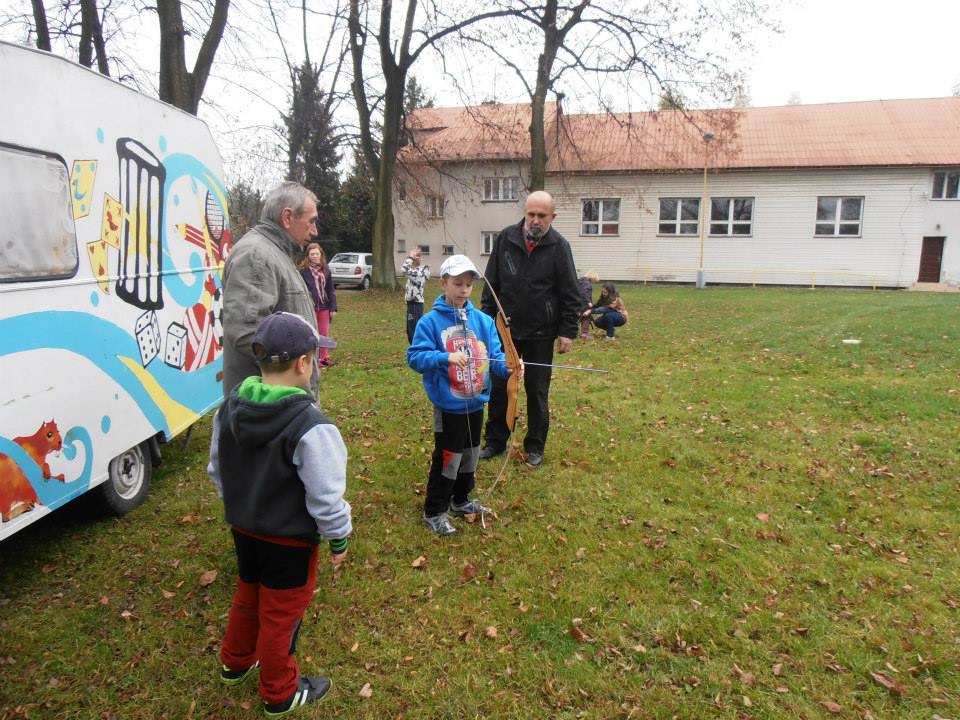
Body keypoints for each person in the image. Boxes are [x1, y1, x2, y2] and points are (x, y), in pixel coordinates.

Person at [208, 311, 351, 716]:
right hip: (290, 542)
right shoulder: (311, 426)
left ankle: (235, 662)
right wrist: (339, 536)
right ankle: (280, 692)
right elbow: (325, 496)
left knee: (248, 593)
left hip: (244, 529)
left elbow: (218, 469)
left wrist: (240, 505)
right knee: (281, 617)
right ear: (304, 363)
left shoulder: (228, 409)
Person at [407, 254, 519, 535]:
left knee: (470, 454)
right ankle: (435, 510)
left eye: (468, 285)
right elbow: (415, 357)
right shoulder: (429, 323)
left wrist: (510, 368)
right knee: (449, 458)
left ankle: (461, 499)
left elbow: (495, 357)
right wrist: (444, 357)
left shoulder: (483, 321)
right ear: (443, 283)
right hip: (449, 406)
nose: (464, 290)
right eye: (457, 284)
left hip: (476, 402)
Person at [479, 190, 581, 468]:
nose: (535, 220)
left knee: (537, 391)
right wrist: (486, 324)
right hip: (505, 330)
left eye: (541, 215)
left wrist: (567, 331)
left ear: (552, 217)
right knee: (500, 387)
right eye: (531, 214)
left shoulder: (559, 247)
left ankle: (535, 446)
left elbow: (571, 292)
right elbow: (491, 285)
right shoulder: (505, 239)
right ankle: (495, 441)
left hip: (541, 333)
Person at [221, 181, 320, 396]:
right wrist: (296, 372)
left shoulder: (275, 254)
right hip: (270, 406)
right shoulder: (257, 255)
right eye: (311, 221)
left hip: (283, 402)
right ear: (287, 217)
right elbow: (246, 332)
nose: (315, 231)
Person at [299, 242, 337, 367]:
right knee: (311, 332)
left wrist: (333, 307)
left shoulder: (326, 269)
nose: (315, 256)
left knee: (324, 332)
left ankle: (324, 358)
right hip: (310, 307)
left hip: (324, 307)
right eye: (312, 254)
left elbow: (330, 290)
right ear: (308, 256)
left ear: (321, 255)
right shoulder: (303, 271)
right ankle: (312, 358)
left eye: (317, 254)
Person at [401, 246, 431, 343]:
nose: (414, 258)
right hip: (412, 305)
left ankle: (417, 349)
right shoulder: (413, 272)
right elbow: (406, 270)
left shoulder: (421, 272)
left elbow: (404, 270)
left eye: (417, 256)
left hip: (415, 305)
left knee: (413, 332)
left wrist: (410, 257)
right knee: (411, 331)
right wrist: (410, 258)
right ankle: (416, 348)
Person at [577, 270, 600, 338]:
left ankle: (571, 331)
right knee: (586, 316)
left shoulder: (580, 281)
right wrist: (589, 302)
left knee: (577, 316)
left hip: (577, 301)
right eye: (594, 281)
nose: (593, 283)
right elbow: (584, 293)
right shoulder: (587, 284)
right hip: (584, 303)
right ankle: (585, 333)